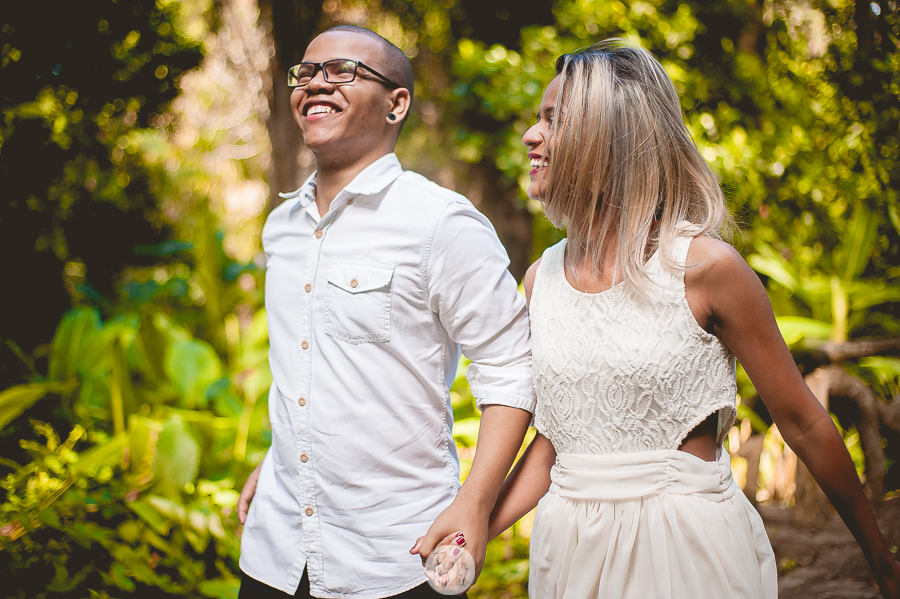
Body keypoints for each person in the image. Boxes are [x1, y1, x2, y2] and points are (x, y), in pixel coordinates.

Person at [482, 40, 900, 598]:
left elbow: (802, 421)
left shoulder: (705, 269)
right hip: (569, 554)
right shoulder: (542, 279)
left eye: (552, 121)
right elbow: (556, 441)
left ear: (608, 139)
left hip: (682, 550)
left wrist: (881, 559)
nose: (531, 136)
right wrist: (474, 528)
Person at [235, 25, 533, 599]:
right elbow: (305, 371)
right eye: (306, 72)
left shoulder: (441, 224)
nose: (316, 83)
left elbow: (513, 370)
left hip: (395, 557)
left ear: (397, 103)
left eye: (343, 71)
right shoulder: (282, 228)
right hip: (275, 548)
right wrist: (281, 461)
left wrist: (475, 504)